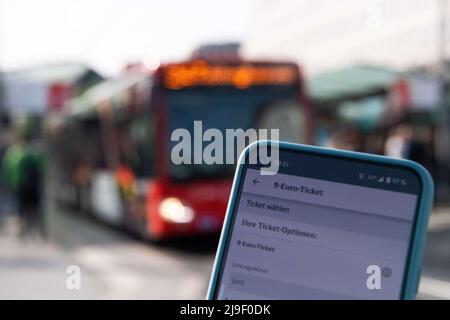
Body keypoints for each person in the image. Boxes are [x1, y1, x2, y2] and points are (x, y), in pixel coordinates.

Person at [2, 123, 45, 239]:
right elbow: (40, 167)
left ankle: (26, 229)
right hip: (26, 185)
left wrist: (9, 182)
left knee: (22, 207)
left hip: (19, 184)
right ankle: (31, 228)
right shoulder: (31, 152)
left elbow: (7, 169)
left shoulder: (13, 153)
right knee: (30, 207)